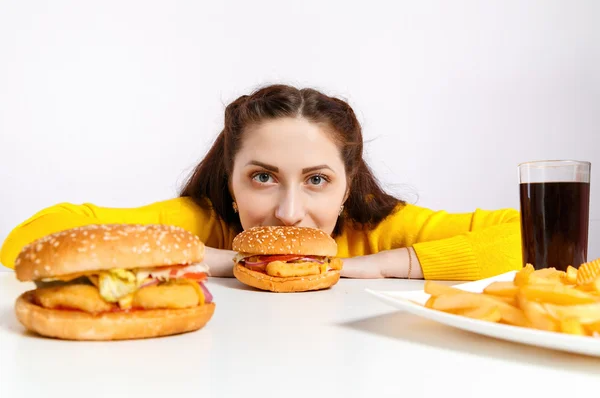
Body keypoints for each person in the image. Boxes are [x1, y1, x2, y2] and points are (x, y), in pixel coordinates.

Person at [0, 84, 522, 280]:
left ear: (347, 187)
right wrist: (223, 261)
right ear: (230, 182)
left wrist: (374, 267)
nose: (289, 211)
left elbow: (528, 238)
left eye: (317, 179)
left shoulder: (377, 230)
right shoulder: (201, 227)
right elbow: (27, 242)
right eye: (262, 178)